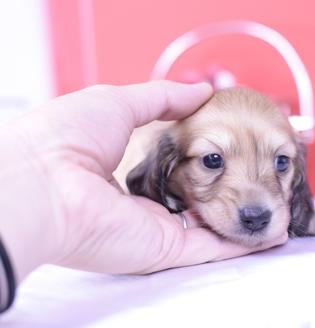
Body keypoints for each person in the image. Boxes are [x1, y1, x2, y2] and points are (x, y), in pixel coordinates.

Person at [0, 81, 288, 313]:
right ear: (166, 164)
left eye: (281, 162)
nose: (256, 207)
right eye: (212, 160)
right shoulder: (144, 157)